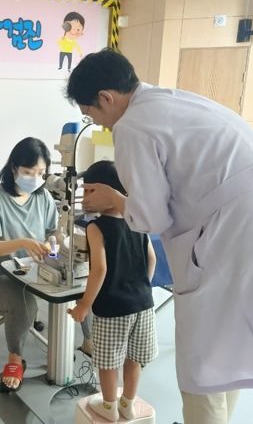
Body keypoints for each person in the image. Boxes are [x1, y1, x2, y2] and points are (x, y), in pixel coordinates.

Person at [65, 49, 253, 424]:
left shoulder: (132, 126)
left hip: (237, 230)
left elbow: (150, 217)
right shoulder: (173, 99)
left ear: (106, 98)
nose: (97, 123)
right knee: (228, 351)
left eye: (90, 113)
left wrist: (114, 199)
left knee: (203, 366)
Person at [68, 160, 157, 422]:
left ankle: (109, 405)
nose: (85, 197)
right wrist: (139, 288)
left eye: (91, 190)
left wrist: (84, 305)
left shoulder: (96, 227)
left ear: (110, 192)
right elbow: (151, 259)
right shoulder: (136, 221)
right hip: (143, 304)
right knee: (133, 358)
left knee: (108, 362)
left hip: (112, 309)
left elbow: (99, 269)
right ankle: (127, 403)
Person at [0, 137, 57, 392]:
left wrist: (52, 242)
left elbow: (55, 231)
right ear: (14, 168)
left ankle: (89, 342)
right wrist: (22, 242)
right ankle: (15, 360)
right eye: (29, 172)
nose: (35, 178)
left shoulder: (43, 197)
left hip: (33, 270)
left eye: (41, 173)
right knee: (25, 304)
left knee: (81, 285)